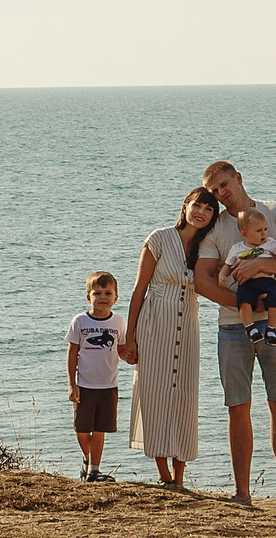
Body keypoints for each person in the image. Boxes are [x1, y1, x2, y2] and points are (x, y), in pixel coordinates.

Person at [194, 159, 276, 512]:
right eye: (215, 190)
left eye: (225, 185)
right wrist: (244, 301)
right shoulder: (215, 229)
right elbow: (202, 279)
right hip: (233, 328)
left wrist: (259, 265)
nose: (221, 193)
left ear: (238, 178)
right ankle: (242, 494)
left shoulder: (275, 212)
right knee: (237, 408)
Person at [123, 186, 215, 487]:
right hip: (155, 325)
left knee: (185, 400)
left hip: (187, 325)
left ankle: (180, 478)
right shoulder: (159, 239)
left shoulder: (208, 247)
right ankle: (164, 475)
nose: (202, 212)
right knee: (155, 397)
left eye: (209, 209)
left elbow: (233, 268)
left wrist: (273, 283)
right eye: (197, 206)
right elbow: (139, 290)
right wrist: (130, 337)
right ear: (185, 206)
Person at [67, 272, 126, 481]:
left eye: (108, 293)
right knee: (82, 429)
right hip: (84, 384)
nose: (102, 297)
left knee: (100, 429)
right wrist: (72, 384)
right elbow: (72, 353)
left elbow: (122, 349)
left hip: (109, 385)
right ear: (88, 297)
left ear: (116, 298)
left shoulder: (119, 322)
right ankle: (86, 457)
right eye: (97, 293)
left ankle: (94, 470)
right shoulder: (80, 321)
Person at [221, 208, 276, 343]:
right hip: (248, 283)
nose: (264, 234)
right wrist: (222, 275)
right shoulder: (237, 248)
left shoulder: (270, 244)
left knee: (275, 300)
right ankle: (249, 327)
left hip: (268, 282)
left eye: (265, 229)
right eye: (258, 231)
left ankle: (272, 328)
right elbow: (228, 264)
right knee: (243, 301)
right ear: (244, 233)